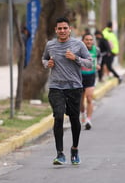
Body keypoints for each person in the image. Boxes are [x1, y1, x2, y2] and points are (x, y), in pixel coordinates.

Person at [42, 17, 92, 165]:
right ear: (56, 30)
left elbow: (89, 63)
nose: (62, 31)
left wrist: (75, 58)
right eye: (60, 29)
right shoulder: (50, 45)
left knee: (74, 119)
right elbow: (44, 59)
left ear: (70, 29)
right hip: (56, 87)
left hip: (74, 88)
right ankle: (60, 153)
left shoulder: (78, 44)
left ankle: (75, 149)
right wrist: (47, 64)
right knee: (58, 116)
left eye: (65, 28)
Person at [80, 33, 101, 130]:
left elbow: (99, 58)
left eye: (90, 40)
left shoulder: (96, 50)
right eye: (86, 39)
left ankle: (88, 120)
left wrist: (98, 65)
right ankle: (83, 114)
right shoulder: (78, 50)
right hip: (79, 77)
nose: (89, 41)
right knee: (80, 101)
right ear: (83, 41)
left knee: (89, 98)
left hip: (91, 76)